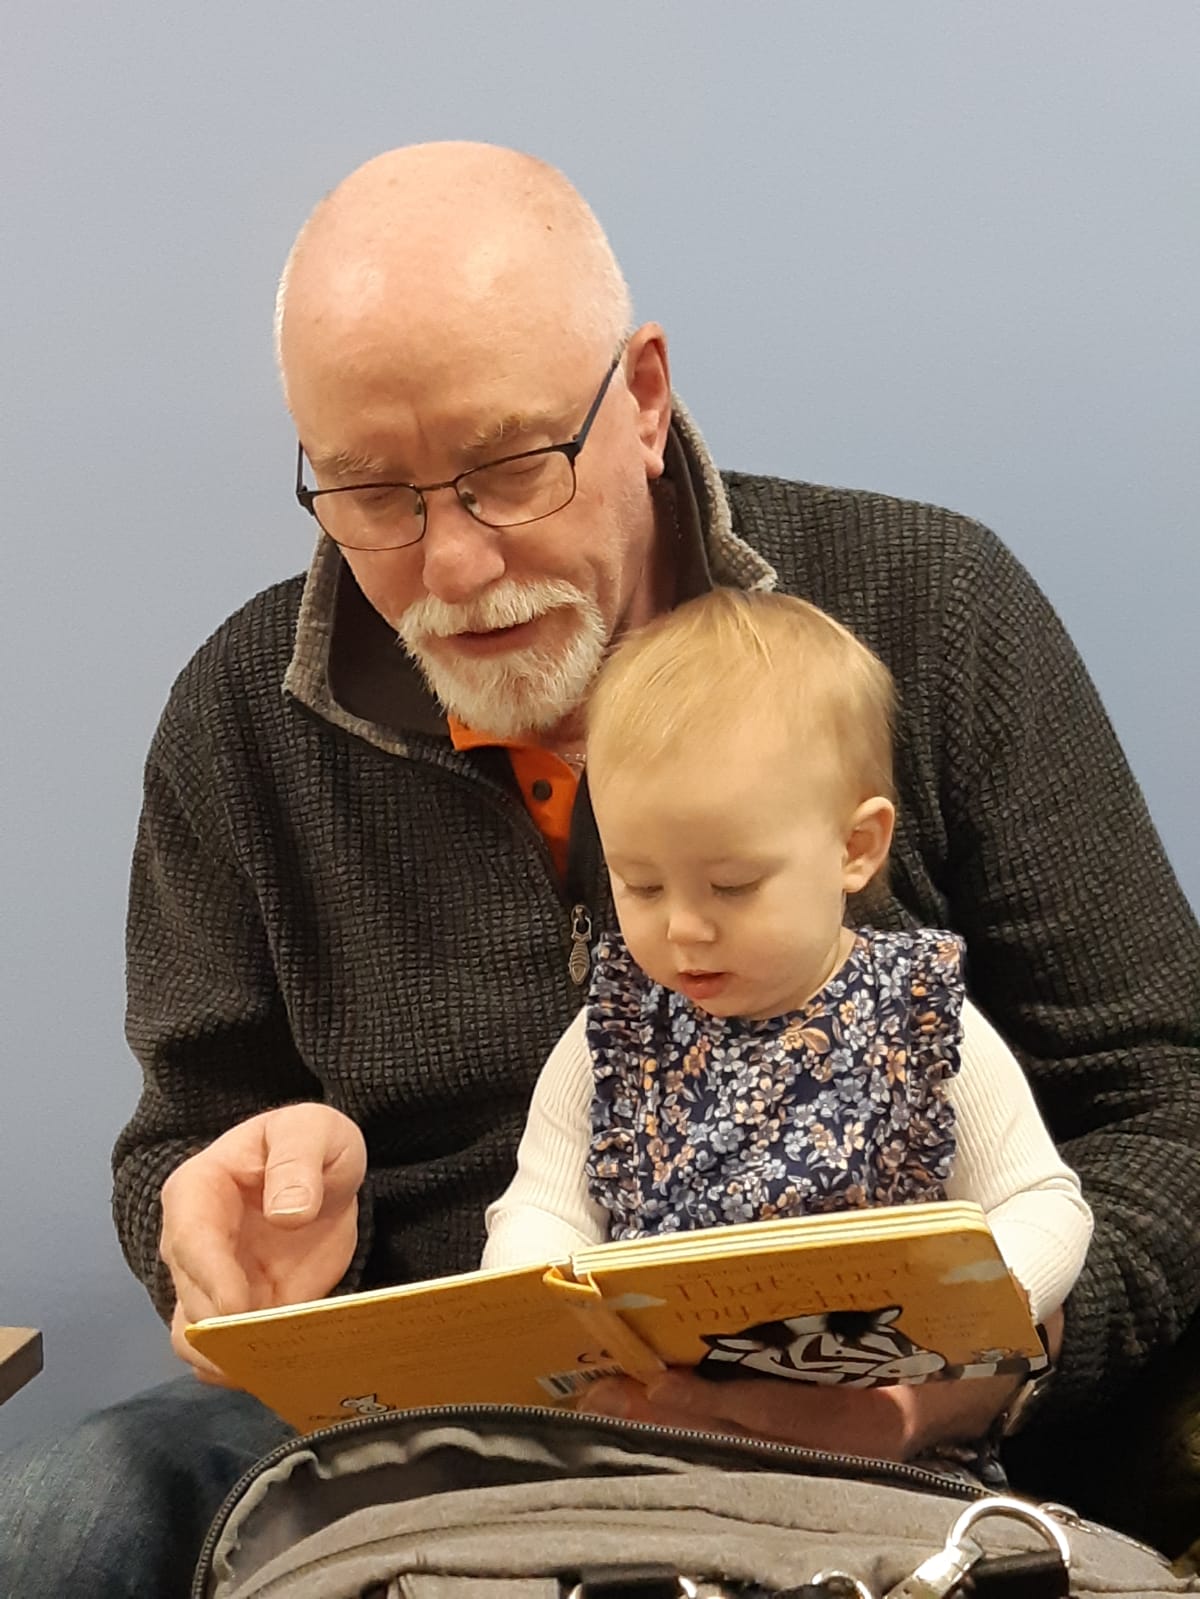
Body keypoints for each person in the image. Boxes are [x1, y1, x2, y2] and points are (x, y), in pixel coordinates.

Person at [0, 140, 1197, 1597]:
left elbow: (1168, 1099)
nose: (452, 566)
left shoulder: (933, 608)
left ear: (641, 398)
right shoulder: (241, 718)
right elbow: (181, 1136)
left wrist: (980, 1369)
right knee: (49, 1519)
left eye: (510, 468)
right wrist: (226, 1233)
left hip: (912, 1422)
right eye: (370, 492)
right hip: (425, 1426)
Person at [482, 587, 1094, 1479]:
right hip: (646, 1449)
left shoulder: (919, 1020)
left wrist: (970, 1305)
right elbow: (542, 1205)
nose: (684, 927)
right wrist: (544, 1309)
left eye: (732, 885)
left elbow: (1044, 1200)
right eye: (640, 884)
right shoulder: (614, 1030)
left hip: (875, 1463)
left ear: (856, 848)